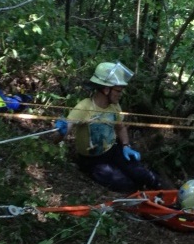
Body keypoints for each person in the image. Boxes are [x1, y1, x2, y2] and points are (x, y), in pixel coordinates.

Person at [54, 62, 163, 194]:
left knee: (144, 176)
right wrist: (61, 132)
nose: (120, 94)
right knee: (126, 185)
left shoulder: (114, 107)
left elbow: (120, 128)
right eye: (118, 91)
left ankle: (169, 196)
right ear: (106, 90)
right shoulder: (84, 107)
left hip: (113, 150)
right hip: (92, 161)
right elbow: (63, 131)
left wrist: (126, 146)